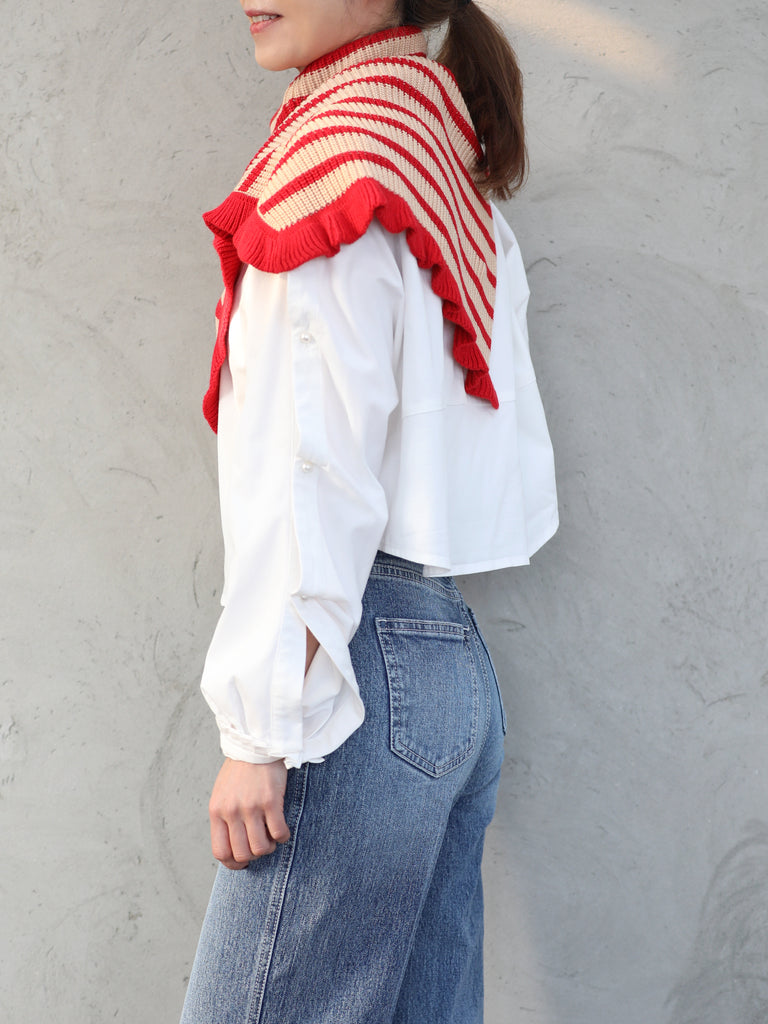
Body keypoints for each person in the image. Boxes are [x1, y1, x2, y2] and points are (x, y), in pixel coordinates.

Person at [180, 1, 558, 1021]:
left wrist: (260, 730)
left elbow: (310, 465)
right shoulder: (434, 146)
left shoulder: (340, 161)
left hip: (348, 675)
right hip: (447, 660)